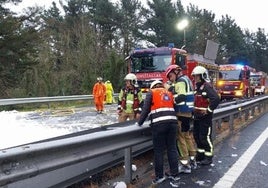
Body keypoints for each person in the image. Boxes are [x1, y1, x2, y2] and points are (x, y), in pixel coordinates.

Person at [136, 80, 180, 187]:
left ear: (153, 86)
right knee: (172, 148)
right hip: (173, 123)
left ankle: (159, 176)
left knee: (159, 151)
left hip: (159, 124)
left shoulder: (151, 92)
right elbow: (175, 107)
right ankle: (174, 173)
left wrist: (139, 123)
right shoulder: (169, 93)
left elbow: (146, 109)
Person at [165, 64, 197, 174]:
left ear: (175, 72)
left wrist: (171, 98)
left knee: (181, 138)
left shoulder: (180, 82)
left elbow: (181, 96)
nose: (170, 78)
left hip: (181, 113)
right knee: (187, 136)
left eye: (170, 76)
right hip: (187, 113)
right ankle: (193, 160)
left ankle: (185, 164)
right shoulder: (186, 79)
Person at [191, 66, 220, 165]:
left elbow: (215, 99)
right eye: (194, 76)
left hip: (205, 118)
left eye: (197, 76)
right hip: (197, 117)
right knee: (197, 137)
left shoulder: (207, 86)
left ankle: (208, 157)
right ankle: (200, 155)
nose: (195, 78)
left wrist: (209, 110)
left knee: (204, 137)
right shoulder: (196, 87)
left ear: (202, 76)